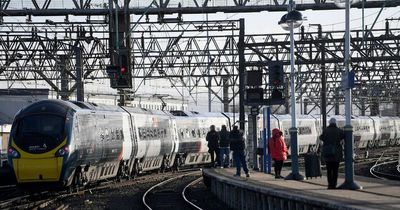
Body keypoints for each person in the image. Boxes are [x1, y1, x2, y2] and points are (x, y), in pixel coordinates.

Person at [319, 117, 345, 189]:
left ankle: (330, 185)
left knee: (329, 170)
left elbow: (321, 137)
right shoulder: (339, 131)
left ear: (329, 123)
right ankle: (334, 184)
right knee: (335, 170)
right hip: (336, 154)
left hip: (328, 153)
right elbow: (344, 136)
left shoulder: (326, 130)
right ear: (335, 123)